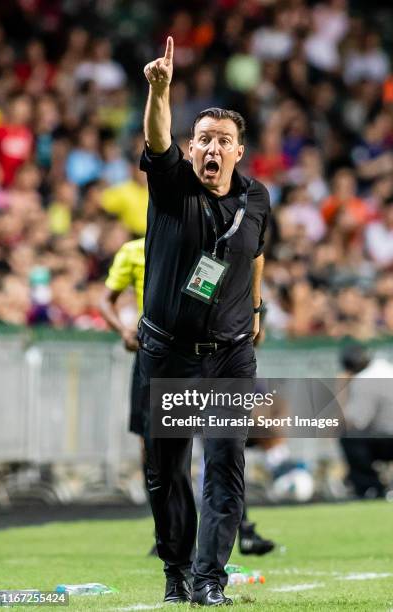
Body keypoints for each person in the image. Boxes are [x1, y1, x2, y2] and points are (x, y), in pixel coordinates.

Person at [139, 37, 270, 606]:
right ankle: (176, 570)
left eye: (224, 140)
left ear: (240, 151)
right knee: (167, 473)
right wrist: (159, 90)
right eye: (205, 140)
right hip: (168, 352)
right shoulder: (172, 188)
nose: (213, 148)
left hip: (230, 355)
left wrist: (258, 307)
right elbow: (156, 139)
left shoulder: (257, 197)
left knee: (225, 462)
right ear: (192, 149)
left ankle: (210, 580)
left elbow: (255, 250)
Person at [100, 237, 276, 557]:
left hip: (204, 354)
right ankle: (167, 533)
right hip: (159, 357)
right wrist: (125, 331)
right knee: (158, 448)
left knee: (222, 442)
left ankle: (240, 529)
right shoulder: (136, 251)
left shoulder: (207, 252)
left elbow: (226, 286)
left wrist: (251, 316)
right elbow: (106, 299)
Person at [339, 342, 393, 499]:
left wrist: (341, 388)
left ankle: (370, 488)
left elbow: (355, 421)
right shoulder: (389, 369)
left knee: (349, 437)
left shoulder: (365, 380)